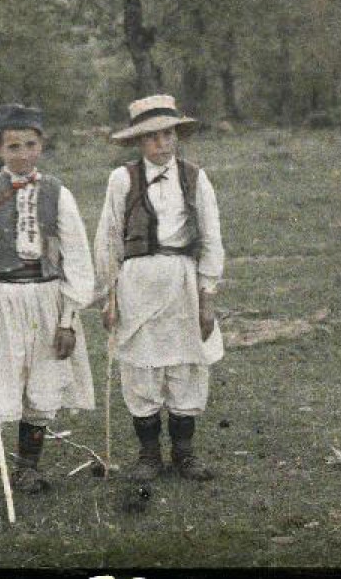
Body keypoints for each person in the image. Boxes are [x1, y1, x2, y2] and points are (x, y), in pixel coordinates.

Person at [0, 103, 96, 523]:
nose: (22, 154)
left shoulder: (57, 193)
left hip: (47, 298)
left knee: (43, 384)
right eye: (13, 146)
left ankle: (28, 468)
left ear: (41, 145)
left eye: (30, 145)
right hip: (2, 298)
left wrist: (68, 318)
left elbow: (78, 257)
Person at [93, 94, 224, 484]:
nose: (162, 144)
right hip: (137, 283)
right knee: (142, 367)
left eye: (168, 135)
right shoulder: (122, 180)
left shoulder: (195, 177)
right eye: (152, 138)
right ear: (138, 142)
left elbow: (212, 238)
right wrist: (109, 297)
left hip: (182, 281)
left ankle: (184, 453)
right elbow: (108, 240)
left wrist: (207, 295)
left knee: (186, 364)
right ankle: (148, 454)